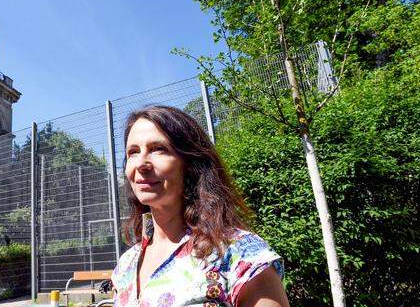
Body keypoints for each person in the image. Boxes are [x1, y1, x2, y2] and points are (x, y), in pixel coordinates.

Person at [111, 106, 289, 307]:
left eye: (159, 149)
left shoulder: (239, 253)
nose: (141, 163)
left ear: (191, 163)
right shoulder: (125, 266)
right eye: (133, 152)